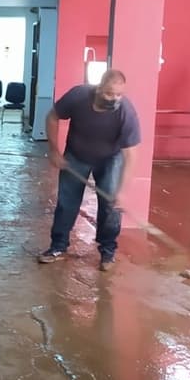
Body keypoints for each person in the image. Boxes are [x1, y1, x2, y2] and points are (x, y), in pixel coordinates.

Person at [38, 69, 142, 271]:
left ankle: (108, 252)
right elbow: (52, 117)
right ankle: (58, 247)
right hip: (76, 156)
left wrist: (121, 191)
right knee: (67, 202)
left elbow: (131, 155)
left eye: (119, 95)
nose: (114, 99)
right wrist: (54, 150)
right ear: (99, 88)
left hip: (110, 159)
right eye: (109, 93)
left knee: (111, 206)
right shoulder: (78, 96)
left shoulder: (126, 112)